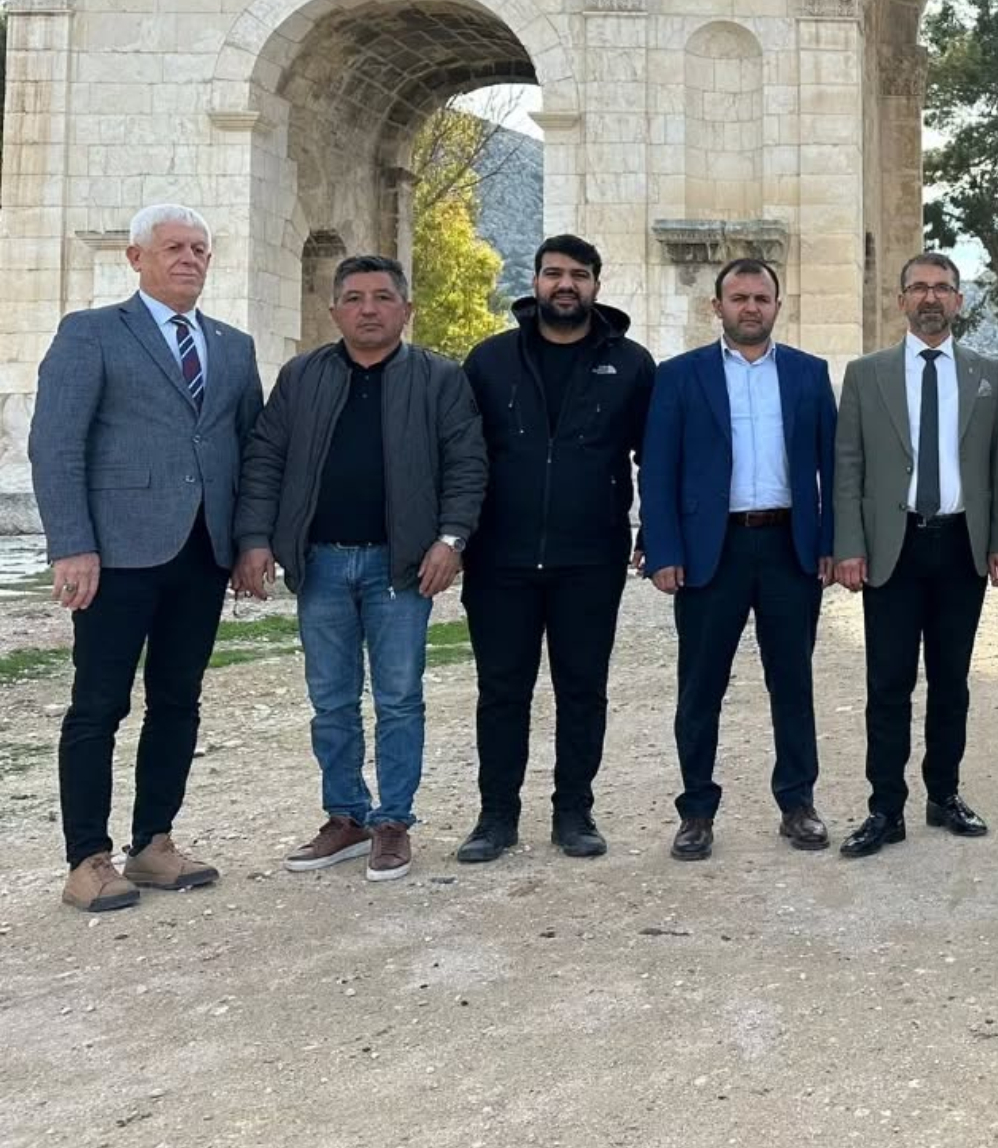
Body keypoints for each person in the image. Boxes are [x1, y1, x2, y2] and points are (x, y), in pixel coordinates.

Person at [31, 204, 264, 912]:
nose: (189, 259)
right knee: (99, 703)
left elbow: (250, 450)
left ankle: (154, 843)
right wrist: (72, 544)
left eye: (200, 249)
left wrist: (249, 541)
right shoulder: (92, 333)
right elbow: (56, 444)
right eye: (173, 248)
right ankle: (87, 859)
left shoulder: (233, 347)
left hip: (202, 552)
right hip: (117, 553)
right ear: (136, 258)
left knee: (178, 699)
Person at [234, 255, 487, 883]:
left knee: (399, 698)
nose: (367, 309)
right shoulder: (302, 377)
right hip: (320, 562)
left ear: (406, 309)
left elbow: (466, 463)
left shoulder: (439, 378)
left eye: (381, 297)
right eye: (353, 298)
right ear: (334, 311)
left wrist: (451, 539)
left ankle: (393, 820)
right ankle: (345, 817)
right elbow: (265, 458)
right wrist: (255, 538)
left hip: (400, 567)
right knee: (331, 701)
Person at [454, 235, 656, 864]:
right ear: (535, 281)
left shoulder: (631, 364)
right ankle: (496, 817)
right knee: (501, 691)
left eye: (578, 275)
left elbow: (653, 454)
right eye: (553, 273)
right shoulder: (488, 361)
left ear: (596, 284)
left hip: (590, 557)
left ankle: (574, 812)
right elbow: (462, 455)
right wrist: (453, 535)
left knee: (583, 689)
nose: (565, 285)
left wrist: (653, 529)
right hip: (500, 557)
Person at [641, 258, 837, 860]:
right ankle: (696, 811)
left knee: (792, 682)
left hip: (787, 547)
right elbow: (658, 469)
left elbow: (835, 467)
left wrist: (830, 543)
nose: (750, 307)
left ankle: (798, 803)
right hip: (711, 550)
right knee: (701, 686)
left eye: (761, 298)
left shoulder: (808, 374)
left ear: (777, 306)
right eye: (738, 297)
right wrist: (663, 549)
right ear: (717, 307)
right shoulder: (679, 376)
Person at [831, 252, 998, 857]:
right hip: (894, 545)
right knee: (888, 683)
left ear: (959, 300)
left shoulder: (988, 373)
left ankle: (944, 794)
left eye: (942, 288)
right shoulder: (867, 374)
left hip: (961, 544)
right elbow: (849, 465)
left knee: (951, 681)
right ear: (901, 299)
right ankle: (885, 808)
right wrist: (849, 546)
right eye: (919, 287)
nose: (930, 297)